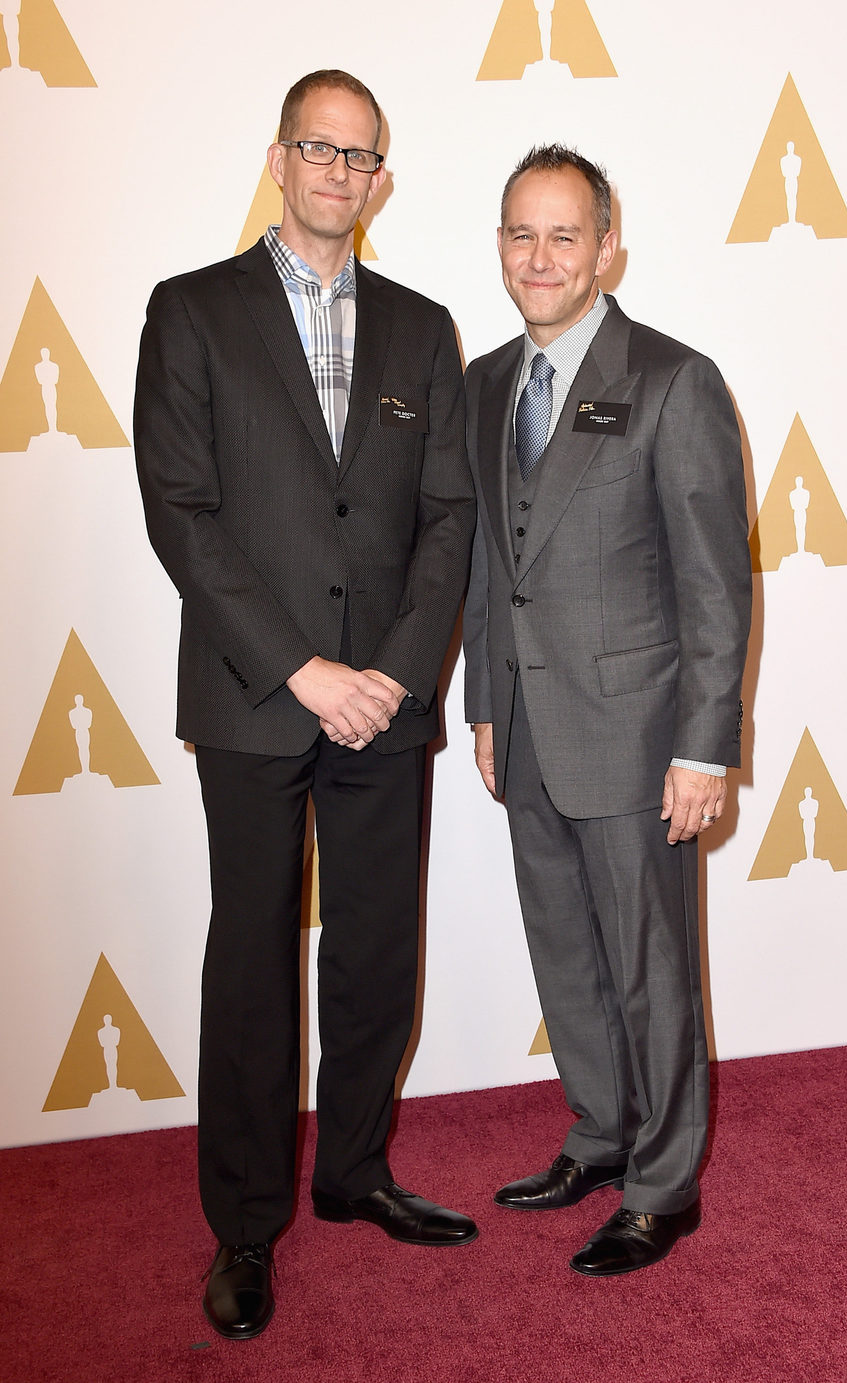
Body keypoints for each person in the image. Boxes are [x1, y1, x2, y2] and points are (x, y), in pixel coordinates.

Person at [134, 69, 477, 1340]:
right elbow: (183, 513)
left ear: (381, 180)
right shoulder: (191, 312)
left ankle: (355, 1172)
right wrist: (300, 668)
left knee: (379, 947)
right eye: (316, 150)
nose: (339, 173)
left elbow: (446, 514)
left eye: (360, 157)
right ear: (279, 161)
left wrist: (388, 670)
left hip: (387, 698)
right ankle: (242, 1227)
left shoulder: (420, 325)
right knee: (255, 954)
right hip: (253, 694)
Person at [463, 145, 752, 1277]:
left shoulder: (675, 382)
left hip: (640, 740)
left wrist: (703, 745)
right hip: (526, 730)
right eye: (522, 236)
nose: (541, 258)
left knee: (651, 965)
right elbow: (495, 561)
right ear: (501, 249)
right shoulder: (487, 382)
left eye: (564, 236)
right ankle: (600, 1133)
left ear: (607, 248)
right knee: (566, 954)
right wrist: (488, 702)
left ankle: (664, 1185)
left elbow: (716, 586)